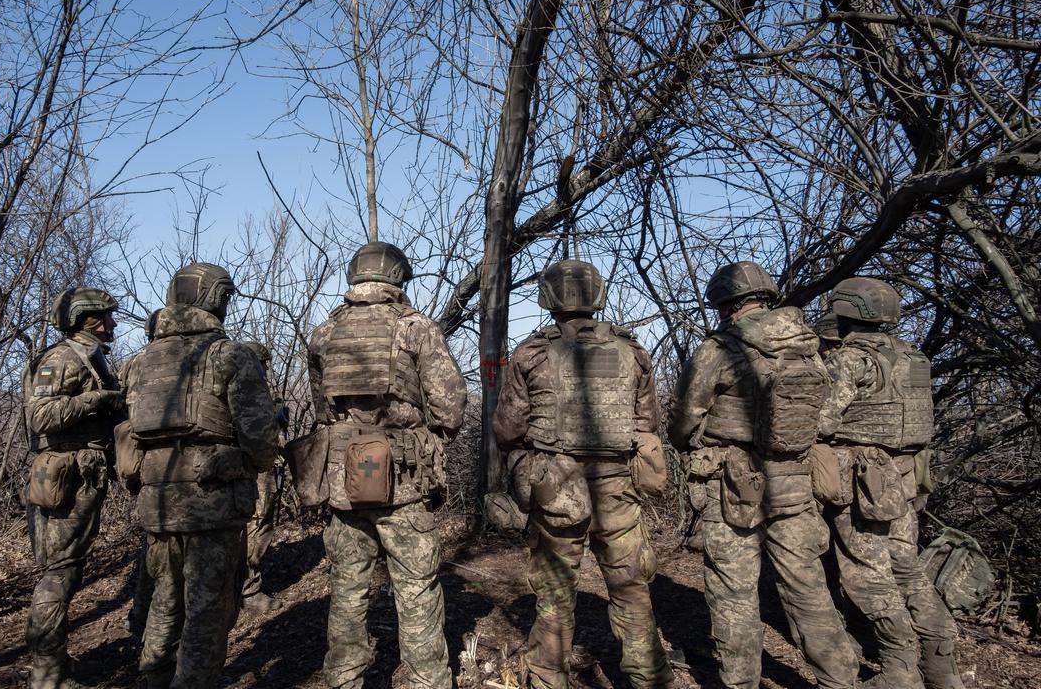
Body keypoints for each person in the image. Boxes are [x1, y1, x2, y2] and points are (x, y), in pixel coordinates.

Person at [668, 261, 857, 689]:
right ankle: (840, 681)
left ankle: (740, 683)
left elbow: (685, 415)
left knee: (733, 594)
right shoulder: (807, 346)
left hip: (733, 487)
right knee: (808, 589)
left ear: (724, 303)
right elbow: (823, 413)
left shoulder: (721, 347)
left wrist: (692, 440)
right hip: (795, 482)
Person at [492, 260, 674, 689]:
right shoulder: (632, 351)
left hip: (556, 485)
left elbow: (507, 428)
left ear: (549, 298)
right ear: (597, 295)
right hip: (619, 488)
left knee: (555, 593)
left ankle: (547, 679)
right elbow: (648, 422)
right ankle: (649, 678)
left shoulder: (532, 353)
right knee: (631, 587)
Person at [308, 241, 467, 689]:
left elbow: (323, 411)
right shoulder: (415, 328)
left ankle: (343, 678)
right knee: (416, 588)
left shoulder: (324, 333)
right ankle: (426, 681)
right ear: (397, 277)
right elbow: (450, 407)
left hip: (344, 480)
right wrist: (424, 440)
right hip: (405, 482)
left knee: (347, 590)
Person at [123, 263, 279, 688]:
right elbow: (261, 440)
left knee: (164, 599)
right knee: (208, 608)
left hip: (156, 501)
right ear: (215, 298)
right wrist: (246, 463)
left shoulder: (139, 361)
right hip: (212, 503)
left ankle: (153, 676)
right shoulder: (229, 355)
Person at [819, 278, 962, 689]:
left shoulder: (850, 360)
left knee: (866, 574)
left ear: (845, 312)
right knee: (908, 569)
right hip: (906, 475)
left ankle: (899, 669)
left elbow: (822, 420)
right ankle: (941, 666)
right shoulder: (913, 357)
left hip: (866, 479)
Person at [23, 287, 125, 689]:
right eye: (107, 316)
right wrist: (98, 400)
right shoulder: (64, 356)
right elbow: (41, 415)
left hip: (82, 472)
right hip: (67, 474)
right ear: (88, 319)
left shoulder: (87, 355)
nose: (113, 323)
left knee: (67, 570)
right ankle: (47, 675)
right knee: (58, 573)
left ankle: (53, 667)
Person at [239, 340, 289, 613]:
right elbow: (255, 432)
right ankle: (248, 591)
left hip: (259, 468)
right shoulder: (245, 390)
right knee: (256, 527)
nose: (265, 369)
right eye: (262, 364)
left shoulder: (247, 389)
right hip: (256, 470)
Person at [122, 308, 161, 639]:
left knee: (154, 543)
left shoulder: (135, 361)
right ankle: (148, 620)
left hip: (144, 466)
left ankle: (141, 617)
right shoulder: (155, 361)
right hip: (158, 466)